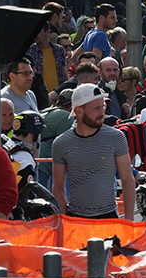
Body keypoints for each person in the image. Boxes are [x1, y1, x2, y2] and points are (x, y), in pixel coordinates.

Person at [52, 83, 136, 220]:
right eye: (96, 108)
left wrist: (129, 220)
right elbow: (58, 188)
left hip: (109, 217)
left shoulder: (116, 137)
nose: (102, 113)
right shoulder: (61, 143)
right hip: (75, 219)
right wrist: (62, 221)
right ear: (78, 111)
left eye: (102, 107)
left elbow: (127, 180)